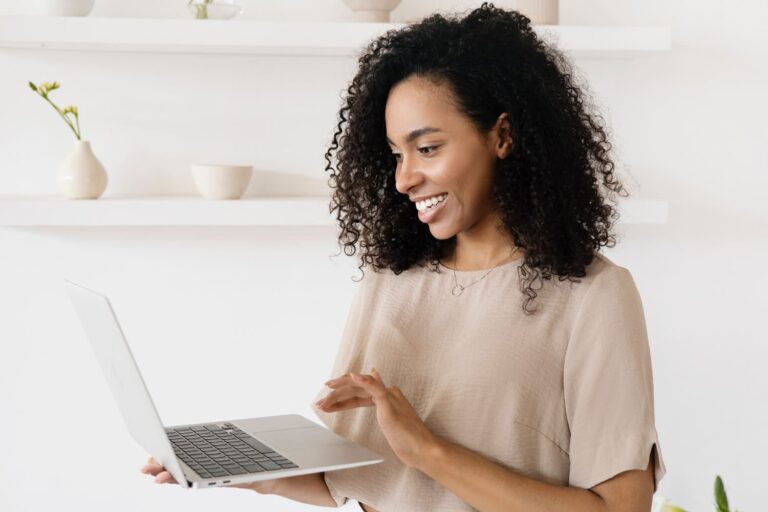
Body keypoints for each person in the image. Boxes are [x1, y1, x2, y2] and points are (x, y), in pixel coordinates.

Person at [141, 2, 666, 511]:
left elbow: (620, 508)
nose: (404, 178)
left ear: (502, 136)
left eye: (428, 148)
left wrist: (428, 451)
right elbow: (357, 479)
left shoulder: (592, 295)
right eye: (396, 154)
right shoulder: (389, 281)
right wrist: (251, 471)